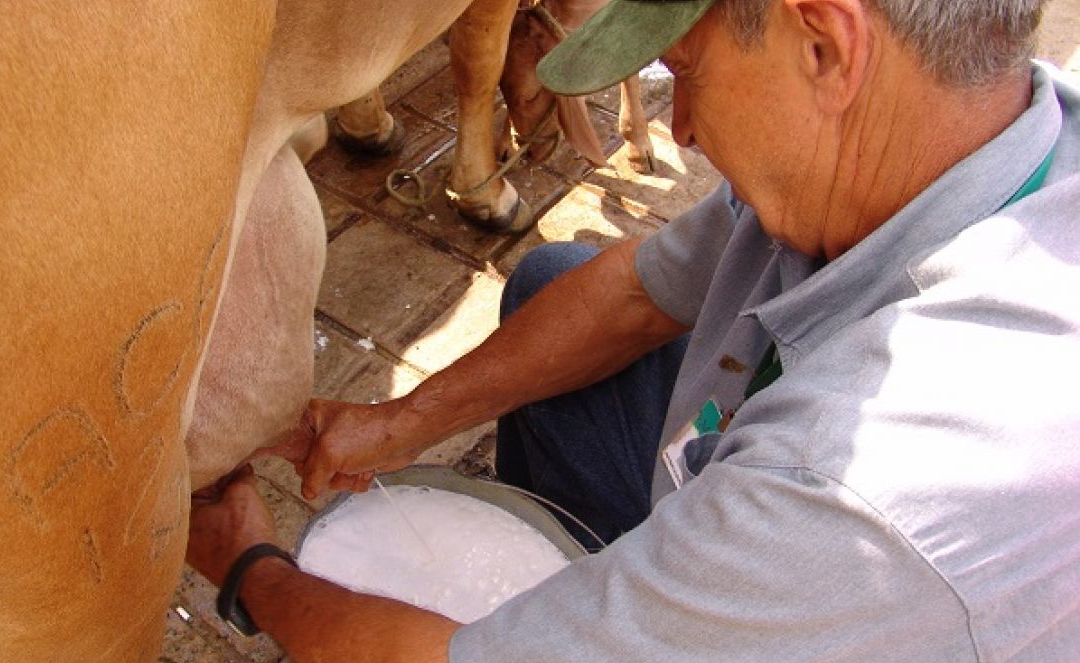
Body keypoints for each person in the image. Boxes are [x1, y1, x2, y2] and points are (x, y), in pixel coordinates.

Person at [185, 0, 1080, 660]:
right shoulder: (994, 131)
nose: (681, 129)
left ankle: (647, 616)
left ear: (825, 45)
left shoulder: (863, 489)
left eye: (684, 73)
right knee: (555, 282)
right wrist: (403, 419)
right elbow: (633, 293)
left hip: (840, 578)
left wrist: (251, 568)